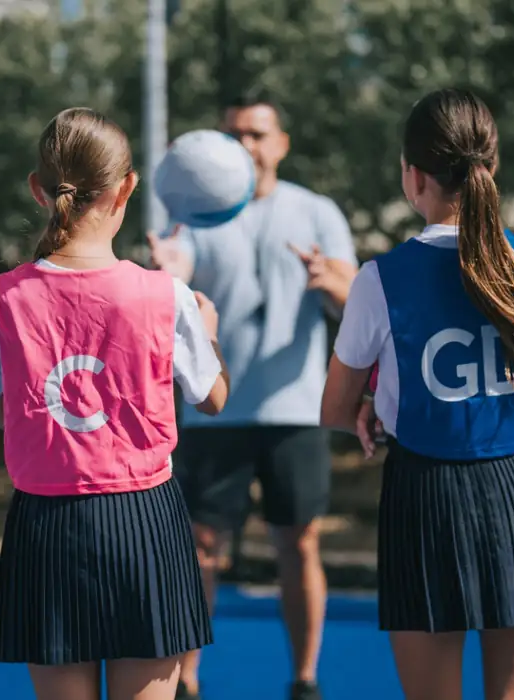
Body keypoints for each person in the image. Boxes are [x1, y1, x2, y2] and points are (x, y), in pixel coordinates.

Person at [0, 107, 230, 700]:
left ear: (40, 190)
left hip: (46, 524)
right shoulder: (168, 295)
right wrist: (206, 328)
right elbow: (213, 398)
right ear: (127, 188)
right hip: (144, 518)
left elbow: (0, 412)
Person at [322, 87, 514, 700]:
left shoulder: (381, 279)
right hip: (510, 485)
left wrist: (376, 403)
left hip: (424, 491)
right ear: (492, 166)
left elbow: (335, 408)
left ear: (413, 175)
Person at [148, 88, 357, 700]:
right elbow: (171, 273)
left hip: (297, 409)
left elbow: (354, 303)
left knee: (299, 542)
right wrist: (168, 271)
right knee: (200, 546)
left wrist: (329, 283)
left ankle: (304, 680)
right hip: (216, 411)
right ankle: (186, 681)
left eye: (258, 134)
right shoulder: (193, 212)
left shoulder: (318, 212)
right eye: (235, 134)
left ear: (281, 144)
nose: (248, 145)